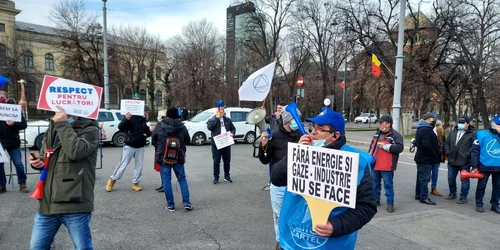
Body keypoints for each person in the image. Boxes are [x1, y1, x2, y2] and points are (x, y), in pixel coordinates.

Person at [273, 109, 377, 250]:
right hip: (292, 241)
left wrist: (336, 225)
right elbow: (276, 179)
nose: (313, 132)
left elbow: (366, 208)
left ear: (335, 136)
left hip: (331, 244)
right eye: (313, 127)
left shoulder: (356, 162)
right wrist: (295, 154)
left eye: (320, 129)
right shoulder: (304, 152)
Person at [28, 106, 99, 249]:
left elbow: (76, 151)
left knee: (83, 247)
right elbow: (45, 155)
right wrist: (37, 162)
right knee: (37, 247)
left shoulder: (91, 130)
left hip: (75, 203)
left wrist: (62, 124)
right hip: (48, 203)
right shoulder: (53, 128)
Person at [258, 106, 302, 249]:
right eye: (296, 119)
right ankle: (281, 242)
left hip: (297, 184)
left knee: (296, 215)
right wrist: (264, 145)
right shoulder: (274, 136)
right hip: (279, 185)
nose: (298, 122)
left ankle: (294, 242)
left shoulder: (301, 135)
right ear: (288, 121)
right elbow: (265, 159)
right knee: (279, 216)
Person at [152, 107, 192, 211]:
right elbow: (187, 140)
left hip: (163, 157)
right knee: (182, 179)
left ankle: (170, 205)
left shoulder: (160, 125)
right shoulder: (182, 126)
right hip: (178, 156)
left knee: (166, 180)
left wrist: (159, 148)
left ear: (167, 115)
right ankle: (187, 203)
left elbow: (153, 139)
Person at [106, 105, 152, 192]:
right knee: (122, 165)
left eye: (148, 112)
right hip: (129, 145)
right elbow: (120, 127)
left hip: (140, 146)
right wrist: (126, 119)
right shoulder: (130, 118)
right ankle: (112, 180)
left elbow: (147, 131)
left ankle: (135, 183)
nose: (147, 114)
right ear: (142, 111)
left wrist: (148, 133)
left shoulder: (142, 121)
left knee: (139, 166)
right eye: (146, 112)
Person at [368, 115, 404, 213]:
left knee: (388, 185)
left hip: (386, 165)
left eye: (381, 122)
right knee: (375, 183)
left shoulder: (395, 135)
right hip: (375, 163)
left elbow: (399, 148)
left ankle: (390, 204)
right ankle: (375, 200)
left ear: (388, 124)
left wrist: (386, 146)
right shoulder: (377, 133)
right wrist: (369, 156)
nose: (379, 124)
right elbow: (372, 146)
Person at [0, 92, 29, 193]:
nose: (1, 100)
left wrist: (13, 124)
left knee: (18, 164)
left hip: (12, 141)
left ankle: (22, 183)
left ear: (7, 99)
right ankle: (1, 185)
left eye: (2, 98)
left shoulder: (14, 110)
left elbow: (24, 125)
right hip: (0, 142)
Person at [472, 115, 500, 214]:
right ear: (492, 123)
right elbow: (475, 151)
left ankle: (495, 204)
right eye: (498, 125)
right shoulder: (481, 134)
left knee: (498, 187)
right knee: (481, 186)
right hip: (485, 164)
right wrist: (475, 166)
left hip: (498, 165)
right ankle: (479, 203)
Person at [444, 116, 475, 204]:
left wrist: (466, 155)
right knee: (451, 178)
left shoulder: (472, 133)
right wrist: (447, 152)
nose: (460, 124)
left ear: (468, 124)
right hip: (452, 159)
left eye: (463, 123)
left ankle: (463, 197)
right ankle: (452, 193)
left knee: (464, 180)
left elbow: (473, 146)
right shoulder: (453, 132)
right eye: (459, 122)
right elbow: (447, 143)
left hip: (464, 161)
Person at [414, 112, 441, 205]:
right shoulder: (425, 129)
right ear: (429, 119)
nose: (434, 121)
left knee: (420, 178)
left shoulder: (421, 128)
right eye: (433, 119)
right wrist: (434, 153)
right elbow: (426, 145)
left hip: (422, 158)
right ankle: (424, 197)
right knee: (425, 178)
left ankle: (418, 194)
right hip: (425, 158)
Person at [207, 105, 236, 184]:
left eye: (221, 112)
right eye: (218, 111)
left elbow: (233, 128)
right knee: (216, 162)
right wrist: (216, 118)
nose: (220, 113)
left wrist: (232, 133)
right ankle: (216, 177)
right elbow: (209, 127)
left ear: (224, 112)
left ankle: (227, 176)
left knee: (227, 161)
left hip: (226, 143)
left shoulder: (228, 120)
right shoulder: (212, 120)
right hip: (216, 144)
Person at [261, 103, 285, 191]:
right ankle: (271, 181)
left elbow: (283, 128)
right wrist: (261, 112)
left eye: (280, 108)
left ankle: (277, 182)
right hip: (272, 142)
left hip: (281, 143)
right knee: (271, 163)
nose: (278, 110)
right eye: (277, 108)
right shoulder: (272, 117)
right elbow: (263, 120)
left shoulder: (285, 119)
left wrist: (279, 119)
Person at [430, 120, 445, 196]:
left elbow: (443, 144)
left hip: (437, 156)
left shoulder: (441, 133)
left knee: (434, 172)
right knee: (430, 173)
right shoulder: (430, 132)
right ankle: (432, 188)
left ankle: (433, 188)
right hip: (431, 156)